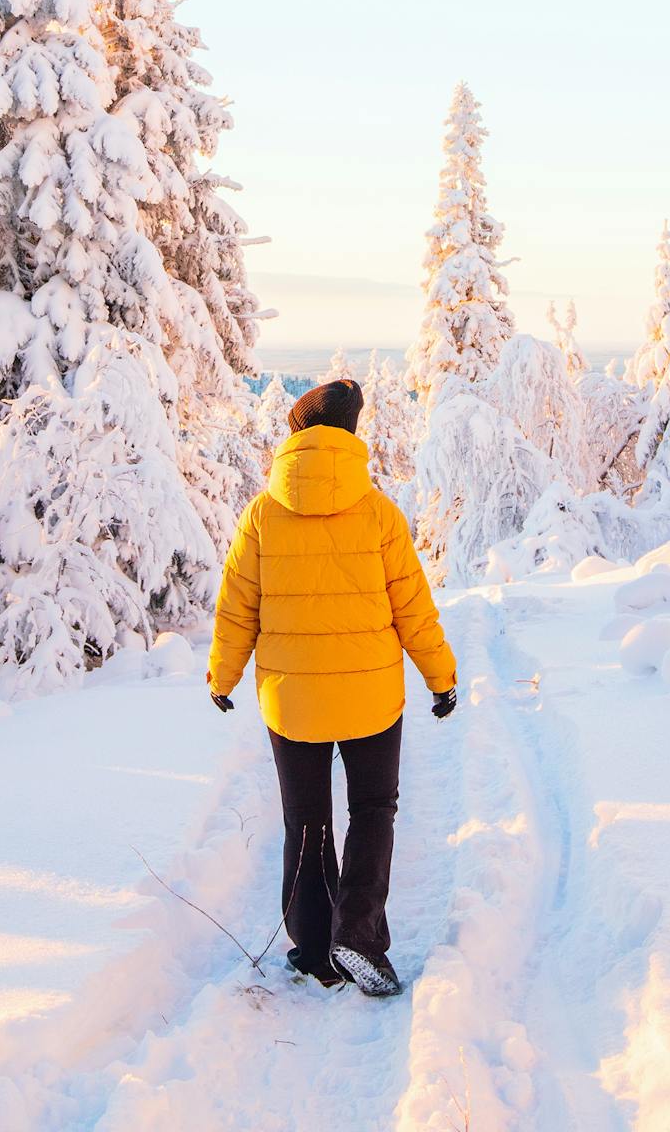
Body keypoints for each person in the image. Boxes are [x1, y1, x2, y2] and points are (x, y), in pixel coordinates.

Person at [206, 377, 457, 997]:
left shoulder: (262, 514)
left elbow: (237, 606)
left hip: (291, 701)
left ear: (296, 435)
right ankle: (360, 937)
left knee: (306, 819)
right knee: (373, 811)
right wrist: (439, 676)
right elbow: (413, 607)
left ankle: (315, 948)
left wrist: (224, 674)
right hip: (372, 698)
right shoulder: (379, 511)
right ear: (351, 437)